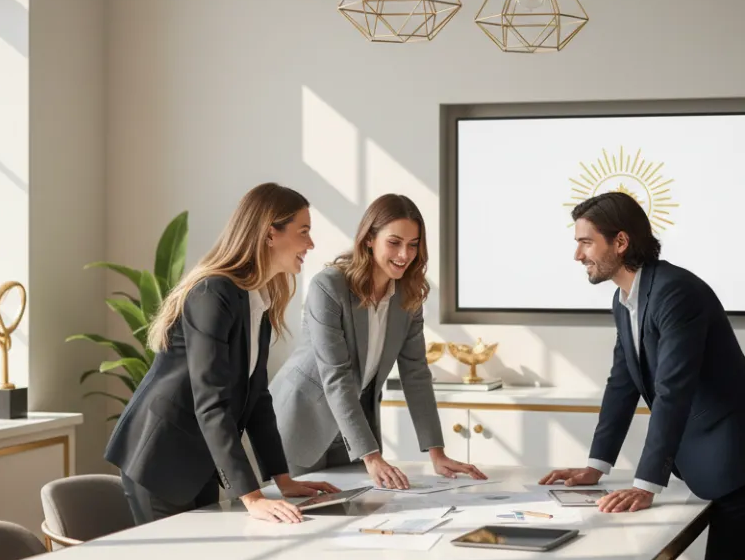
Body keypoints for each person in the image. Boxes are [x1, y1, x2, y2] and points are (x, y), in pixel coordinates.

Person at [539, 191, 745, 560]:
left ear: (620, 242)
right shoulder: (626, 299)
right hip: (727, 458)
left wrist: (646, 484)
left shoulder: (675, 292)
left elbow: (673, 389)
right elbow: (622, 383)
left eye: (586, 242)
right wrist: (595, 466)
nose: (577, 254)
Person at [105, 183, 339, 525]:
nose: (310, 244)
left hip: (198, 461)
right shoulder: (213, 293)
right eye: (303, 232)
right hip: (160, 459)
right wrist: (252, 497)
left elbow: (257, 399)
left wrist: (282, 479)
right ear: (270, 233)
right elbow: (210, 400)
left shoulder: (256, 298)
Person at [270, 193, 487, 488]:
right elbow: (336, 376)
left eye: (413, 245)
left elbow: (416, 374)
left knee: (353, 516)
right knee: (301, 517)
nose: (404, 254)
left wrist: (437, 453)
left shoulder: (408, 297)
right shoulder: (329, 286)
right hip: (301, 421)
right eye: (394, 242)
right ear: (369, 239)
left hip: (353, 424)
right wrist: (372, 457)